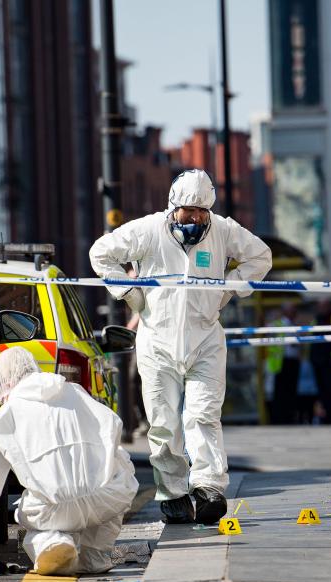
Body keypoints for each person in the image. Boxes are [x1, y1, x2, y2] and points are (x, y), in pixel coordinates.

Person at [89, 169, 272, 525]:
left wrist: (228, 288)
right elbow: (101, 254)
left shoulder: (223, 230)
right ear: (173, 208)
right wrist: (130, 294)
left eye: (202, 211)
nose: (196, 218)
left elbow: (260, 257)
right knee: (163, 424)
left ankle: (208, 489)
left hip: (205, 339)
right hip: (157, 341)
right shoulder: (146, 231)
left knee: (203, 415)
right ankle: (173, 493)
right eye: (189, 211)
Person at [0, 347, 138, 576]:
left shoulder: (10, 412)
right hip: (107, 497)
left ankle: (52, 544)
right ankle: (95, 557)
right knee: (114, 492)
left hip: (56, 506)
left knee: (26, 513)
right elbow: (112, 433)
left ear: (4, 384)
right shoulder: (76, 393)